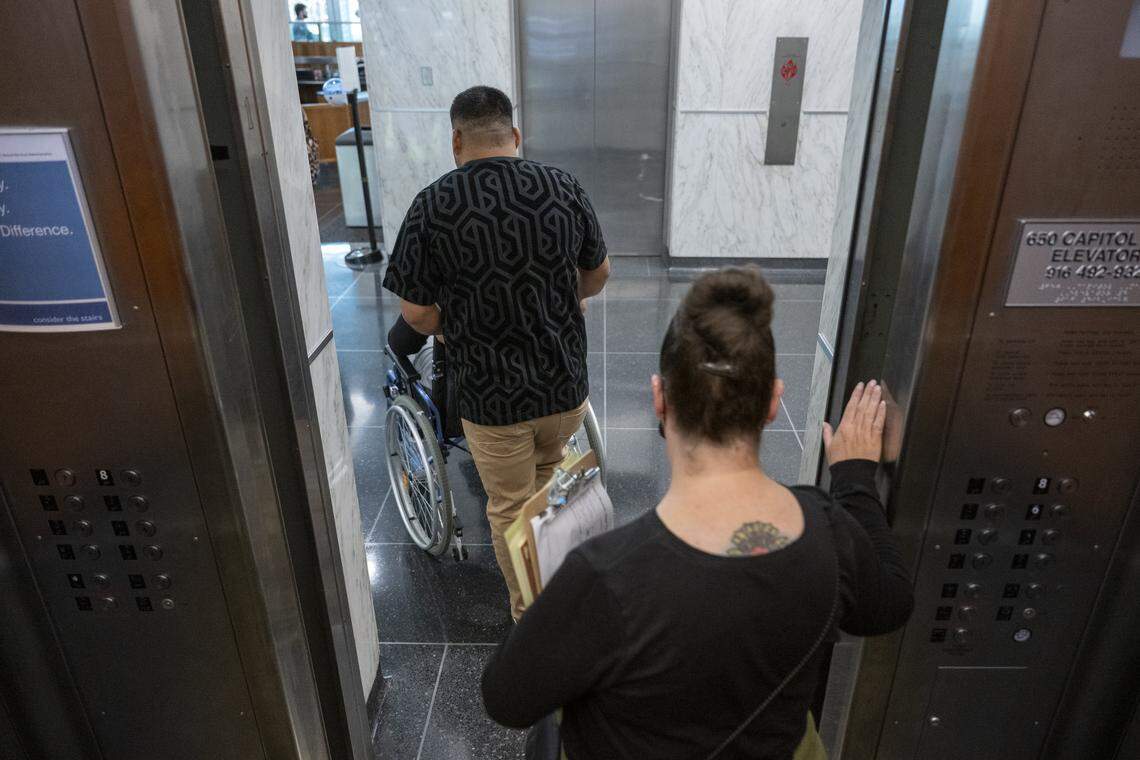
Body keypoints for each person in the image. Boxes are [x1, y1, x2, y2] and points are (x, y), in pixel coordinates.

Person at [481, 267, 914, 759]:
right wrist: (855, 478)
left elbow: (505, 699)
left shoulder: (605, 574)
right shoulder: (829, 529)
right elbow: (890, 604)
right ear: (773, 400)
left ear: (659, 398)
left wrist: (550, 605)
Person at [383, 85, 610, 619]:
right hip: (563, 388)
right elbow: (597, 276)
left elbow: (415, 314)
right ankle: (564, 585)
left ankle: (530, 616)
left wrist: (455, 324)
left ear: (456, 140)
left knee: (508, 505)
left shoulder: (433, 204)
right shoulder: (562, 186)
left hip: (492, 399)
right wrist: (558, 300)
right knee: (550, 482)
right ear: (514, 134)